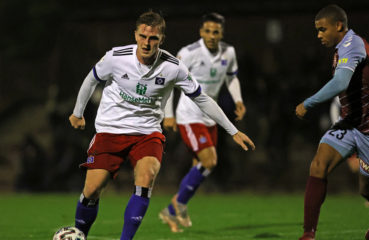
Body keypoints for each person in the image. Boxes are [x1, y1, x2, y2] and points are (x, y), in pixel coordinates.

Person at [68, 11, 255, 240]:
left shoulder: (174, 67)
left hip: (147, 133)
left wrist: (233, 130)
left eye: (153, 38)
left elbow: (202, 97)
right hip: (111, 129)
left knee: (146, 178)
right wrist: (78, 113)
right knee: (92, 190)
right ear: (135, 35)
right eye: (143, 36)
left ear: (161, 39)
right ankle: (80, 235)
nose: (147, 43)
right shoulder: (116, 57)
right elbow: (91, 79)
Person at [295, 5, 369, 240]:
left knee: (367, 189)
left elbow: (340, 82)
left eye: (322, 29)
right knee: (318, 165)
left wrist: (308, 103)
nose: (318, 35)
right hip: (351, 123)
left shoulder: (353, 46)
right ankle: (308, 234)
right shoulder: (342, 48)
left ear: (338, 26)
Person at [158, 12, 246, 233]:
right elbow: (169, 83)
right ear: (201, 32)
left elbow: (232, 76)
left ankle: (170, 210)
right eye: (207, 31)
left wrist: (238, 99)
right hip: (189, 116)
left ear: (221, 33)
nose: (211, 35)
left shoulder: (229, 51)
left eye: (216, 32)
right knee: (210, 161)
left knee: (199, 166)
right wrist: (168, 114)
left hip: (211, 116)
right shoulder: (188, 53)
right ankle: (180, 203)